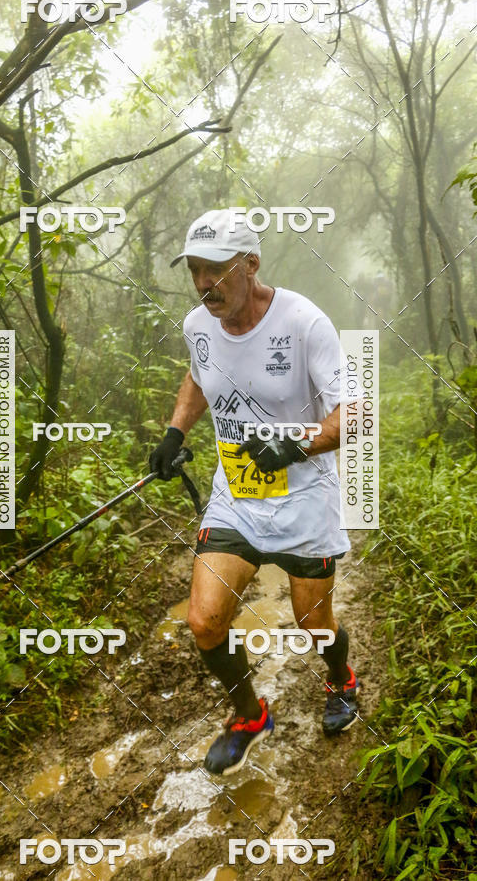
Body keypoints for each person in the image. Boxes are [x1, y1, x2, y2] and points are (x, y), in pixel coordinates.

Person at [149, 209, 359, 776]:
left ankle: (340, 681)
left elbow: (356, 412)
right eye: (194, 271)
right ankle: (248, 715)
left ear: (250, 265)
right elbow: (198, 374)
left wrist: (297, 446)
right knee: (204, 620)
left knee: (312, 622)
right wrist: (176, 431)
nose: (202, 285)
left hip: (304, 495)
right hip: (236, 497)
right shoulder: (199, 324)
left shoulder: (304, 323)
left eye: (214, 271)